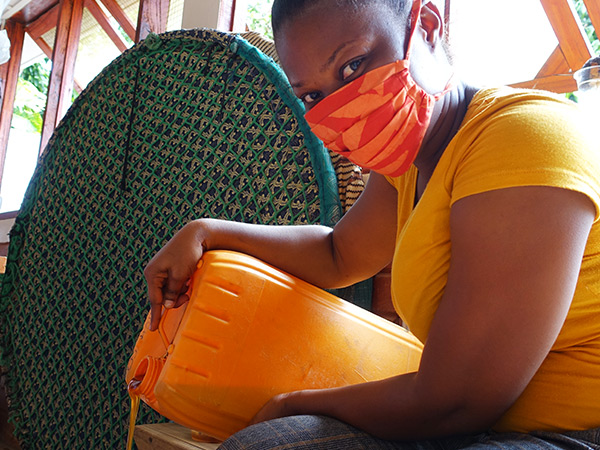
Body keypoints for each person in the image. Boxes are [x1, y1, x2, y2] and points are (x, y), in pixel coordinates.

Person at [143, 0, 600, 448]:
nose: (340, 106)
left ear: (426, 26)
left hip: (571, 432)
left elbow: (458, 400)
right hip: (484, 423)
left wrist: (292, 405)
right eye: (312, 96)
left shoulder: (521, 140)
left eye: (352, 66)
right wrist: (205, 232)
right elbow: (338, 254)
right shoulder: (408, 164)